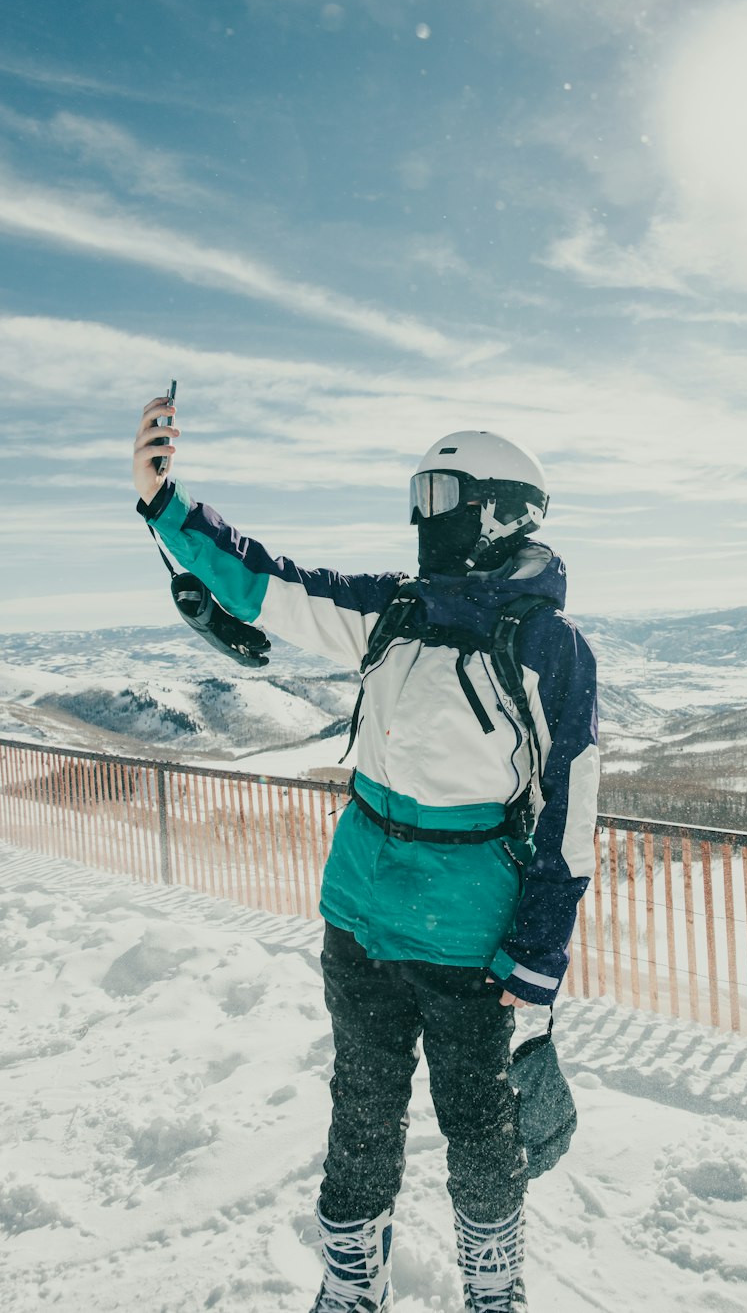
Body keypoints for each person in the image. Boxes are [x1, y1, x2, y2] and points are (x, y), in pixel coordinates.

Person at [132, 398, 600, 1313]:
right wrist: (165, 504)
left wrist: (540, 953)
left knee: (481, 1129)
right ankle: (351, 1285)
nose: (424, 514)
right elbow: (267, 583)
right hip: (360, 918)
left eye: (442, 492)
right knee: (361, 1113)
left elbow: (570, 812)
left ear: (501, 509)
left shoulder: (546, 645)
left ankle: (493, 1288)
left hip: (472, 940)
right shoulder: (392, 609)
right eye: (418, 493)